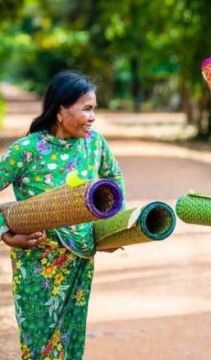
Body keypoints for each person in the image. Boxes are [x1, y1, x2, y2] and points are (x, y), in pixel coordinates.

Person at [0, 71, 125, 359]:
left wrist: (113, 230)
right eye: (87, 108)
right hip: (36, 264)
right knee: (38, 346)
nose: (93, 117)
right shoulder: (28, 150)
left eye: (94, 108)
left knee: (70, 343)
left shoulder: (94, 144)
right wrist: (7, 235)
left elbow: (114, 178)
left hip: (80, 260)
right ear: (60, 111)